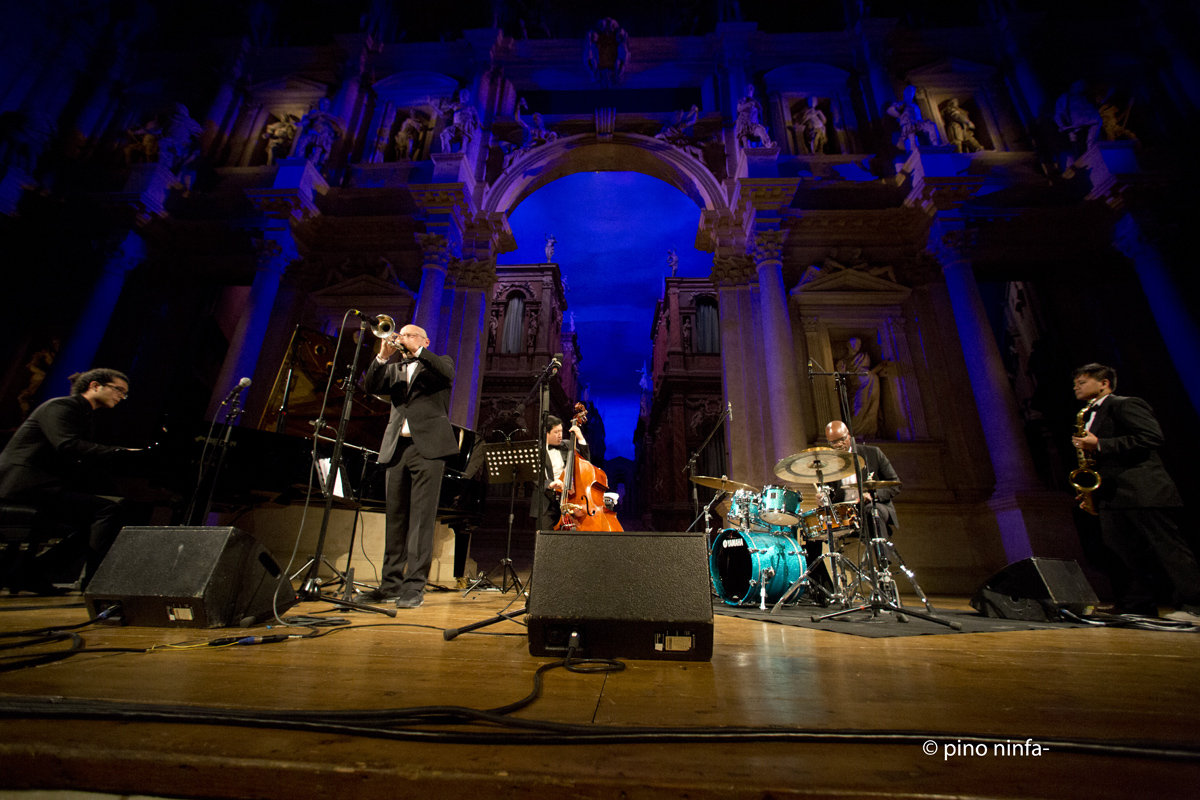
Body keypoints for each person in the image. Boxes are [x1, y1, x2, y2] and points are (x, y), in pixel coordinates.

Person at [1070, 364, 1200, 621]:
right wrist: (1091, 492)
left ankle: (1195, 605)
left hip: (1143, 489)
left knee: (1167, 549)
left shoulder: (1125, 404)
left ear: (1104, 383)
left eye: (1082, 382)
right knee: (1120, 551)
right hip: (1112, 493)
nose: (1076, 387)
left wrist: (1101, 444)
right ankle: (1135, 603)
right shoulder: (1087, 414)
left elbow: (1151, 437)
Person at [0, 368, 131, 592]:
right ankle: (92, 583)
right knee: (107, 511)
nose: (120, 397)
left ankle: (31, 571)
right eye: (118, 390)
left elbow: (75, 458)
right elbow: (67, 445)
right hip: (23, 484)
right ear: (94, 386)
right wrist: (120, 452)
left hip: (41, 485)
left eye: (123, 394)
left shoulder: (83, 414)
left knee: (106, 514)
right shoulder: (61, 406)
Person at [357, 324, 457, 608]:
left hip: (428, 449)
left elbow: (447, 373)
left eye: (410, 335)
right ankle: (389, 584)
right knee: (396, 519)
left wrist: (417, 350)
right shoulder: (396, 369)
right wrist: (382, 356)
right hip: (397, 449)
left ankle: (414, 587)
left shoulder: (440, 364)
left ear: (424, 340)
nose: (402, 338)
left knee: (421, 520)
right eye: (401, 334)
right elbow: (370, 387)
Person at [822, 420, 901, 539]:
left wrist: (872, 495)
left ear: (849, 436)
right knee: (814, 528)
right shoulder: (828, 464)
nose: (838, 444)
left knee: (872, 511)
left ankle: (883, 557)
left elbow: (895, 485)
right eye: (833, 442)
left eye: (841, 439)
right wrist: (822, 499)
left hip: (874, 505)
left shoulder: (873, 453)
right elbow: (829, 494)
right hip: (844, 512)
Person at [529, 414, 588, 533]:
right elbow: (533, 475)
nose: (560, 435)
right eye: (556, 432)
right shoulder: (535, 450)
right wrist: (550, 484)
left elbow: (585, 461)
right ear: (546, 433)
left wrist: (580, 437)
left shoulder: (567, 446)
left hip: (568, 501)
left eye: (561, 431)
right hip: (546, 504)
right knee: (544, 540)